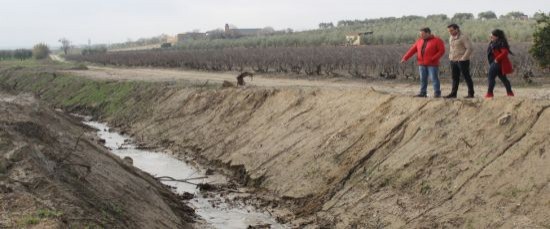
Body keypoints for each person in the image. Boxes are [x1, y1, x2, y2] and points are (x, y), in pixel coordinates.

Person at [401, 27, 445, 98]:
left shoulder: (437, 40)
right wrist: (405, 58)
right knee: (423, 79)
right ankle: (423, 92)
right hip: (421, 64)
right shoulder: (419, 41)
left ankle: (437, 93)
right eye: (420, 34)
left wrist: (433, 58)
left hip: (432, 64)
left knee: (434, 78)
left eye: (423, 34)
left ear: (428, 33)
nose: (421, 36)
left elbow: (441, 51)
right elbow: (412, 50)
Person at [445, 24, 475, 98]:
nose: (450, 32)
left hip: (462, 61)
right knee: (455, 77)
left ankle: (471, 94)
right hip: (453, 60)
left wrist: (464, 58)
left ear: (457, 29)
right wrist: (450, 57)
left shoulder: (463, 37)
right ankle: (453, 93)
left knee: (466, 77)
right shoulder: (451, 37)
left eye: (451, 30)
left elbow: (469, 48)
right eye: (449, 31)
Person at [485, 29, 514, 98]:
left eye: (492, 36)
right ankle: (510, 93)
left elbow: (505, 52)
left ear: (497, 37)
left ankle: (489, 94)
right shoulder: (495, 42)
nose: (490, 37)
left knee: (491, 77)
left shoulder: (500, 43)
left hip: (496, 64)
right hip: (497, 64)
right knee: (503, 79)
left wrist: (496, 59)